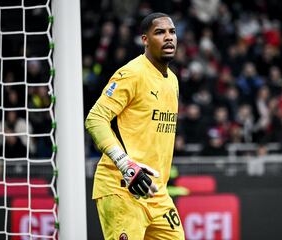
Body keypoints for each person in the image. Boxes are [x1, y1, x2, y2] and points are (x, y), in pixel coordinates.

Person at [85, 12, 185, 239]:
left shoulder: (173, 80)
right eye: (160, 32)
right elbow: (95, 118)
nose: (168, 37)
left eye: (172, 32)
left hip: (155, 192)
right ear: (145, 40)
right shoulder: (131, 73)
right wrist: (125, 164)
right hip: (122, 188)